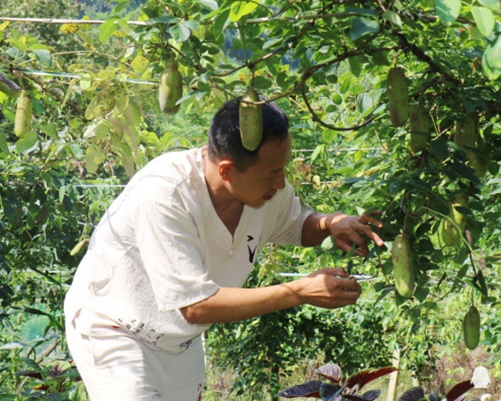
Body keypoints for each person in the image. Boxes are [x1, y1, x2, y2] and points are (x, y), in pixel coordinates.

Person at [64, 99, 384, 401]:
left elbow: (296, 223)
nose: (282, 182)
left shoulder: (266, 191)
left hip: (182, 342)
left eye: (283, 168)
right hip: (117, 329)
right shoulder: (164, 195)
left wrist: (331, 223)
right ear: (227, 171)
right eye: (272, 172)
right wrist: (298, 291)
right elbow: (195, 306)